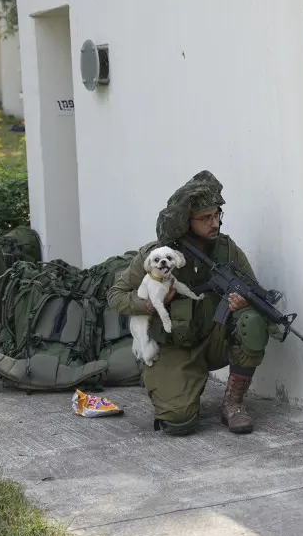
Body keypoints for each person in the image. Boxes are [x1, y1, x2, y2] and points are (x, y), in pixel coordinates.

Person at [108, 171, 276, 436]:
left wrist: (242, 304)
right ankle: (165, 380)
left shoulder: (227, 250)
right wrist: (150, 305)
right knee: (179, 422)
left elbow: (251, 289)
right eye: (205, 218)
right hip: (172, 347)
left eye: (217, 215)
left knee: (251, 321)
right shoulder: (157, 255)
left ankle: (233, 403)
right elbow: (115, 296)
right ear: (186, 222)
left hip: (212, 339)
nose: (215, 223)